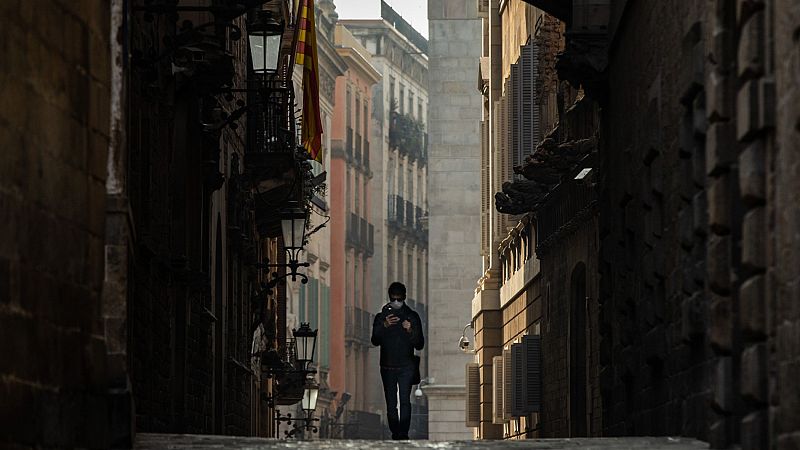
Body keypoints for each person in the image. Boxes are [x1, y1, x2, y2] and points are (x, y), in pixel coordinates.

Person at [371, 282, 424, 440]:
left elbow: (419, 344)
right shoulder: (381, 317)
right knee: (391, 402)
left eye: (399, 299)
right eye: (393, 299)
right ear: (389, 297)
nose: (396, 302)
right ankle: (395, 432)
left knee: (405, 401)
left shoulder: (412, 316)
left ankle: (403, 433)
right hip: (387, 366)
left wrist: (410, 329)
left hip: (406, 366)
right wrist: (384, 325)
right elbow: (374, 340)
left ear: (404, 297)